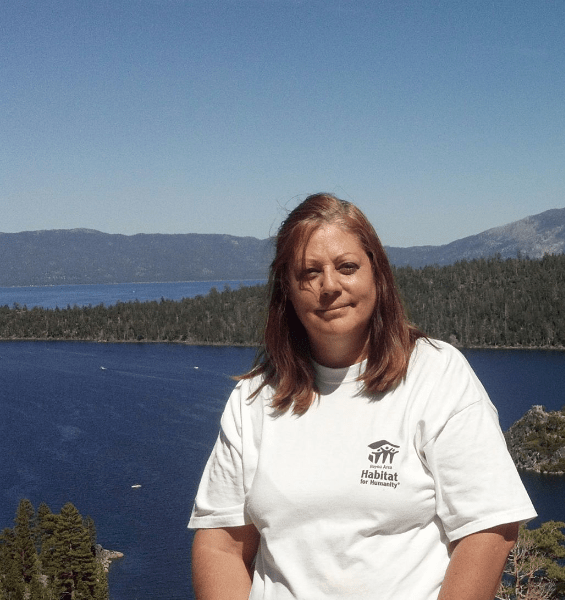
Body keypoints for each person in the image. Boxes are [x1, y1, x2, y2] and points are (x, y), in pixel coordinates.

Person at [188, 193, 536, 600]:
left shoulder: (436, 374)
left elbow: (489, 530)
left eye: (347, 267)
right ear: (288, 287)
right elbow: (221, 544)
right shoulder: (256, 398)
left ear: (377, 273)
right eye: (309, 272)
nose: (329, 286)